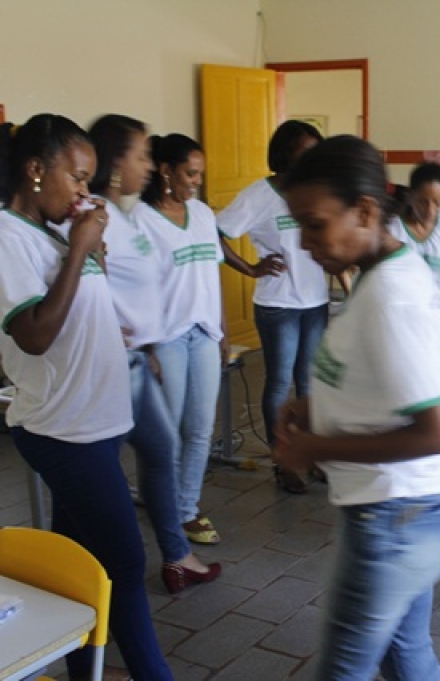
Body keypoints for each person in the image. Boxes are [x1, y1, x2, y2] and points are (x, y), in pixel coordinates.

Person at [274, 135, 440, 680]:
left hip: (399, 514)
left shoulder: (392, 295)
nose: (304, 242)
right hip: (405, 507)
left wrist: (315, 447)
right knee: (405, 656)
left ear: (364, 211)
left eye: (314, 224)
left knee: (344, 670)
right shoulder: (377, 275)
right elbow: (380, 381)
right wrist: (314, 407)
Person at [0, 114, 172, 680]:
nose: (83, 191)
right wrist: (78, 252)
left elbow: (77, 311)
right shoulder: (6, 237)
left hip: (95, 420)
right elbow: (34, 334)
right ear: (34, 170)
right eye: (76, 177)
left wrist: (90, 256)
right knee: (125, 563)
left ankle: (83, 671)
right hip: (65, 429)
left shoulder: (52, 233)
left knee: (78, 565)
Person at [89, 114, 222, 593]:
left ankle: (175, 552)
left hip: (142, 356)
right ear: (114, 162)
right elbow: (91, 288)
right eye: (141, 155)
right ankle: (110, 569)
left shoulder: (128, 216)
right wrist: (140, 340)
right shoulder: (98, 217)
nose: (147, 165)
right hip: (122, 360)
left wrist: (148, 343)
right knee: (112, 468)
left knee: (164, 448)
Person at [217, 120, 327, 494]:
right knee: (280, 382)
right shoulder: (259, 195)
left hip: (316, 300)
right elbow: (215, 233)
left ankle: (310, 454)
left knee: (309, 382)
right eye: (305, 151)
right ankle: (284, 462)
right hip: (279, 303)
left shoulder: (314, 190)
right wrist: (251, 268)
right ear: (284, 153)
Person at [135, 133, 228, 545]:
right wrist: (147, 348)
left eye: (199, 174)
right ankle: (164, 507)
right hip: (165, 337)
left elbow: (213, 274)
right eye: (190, 174)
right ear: (166, 170)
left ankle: (187, 508)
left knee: (201, 428)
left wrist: (222, 331)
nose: (196, 182)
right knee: (166, 433)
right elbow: (137, 287)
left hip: (204, 332)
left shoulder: (203, 214)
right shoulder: (141, 219)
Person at [386, 161, 440, 328]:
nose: (430, 211)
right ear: (410, 196)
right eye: (422, 202)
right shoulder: (392, 229)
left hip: (435, 319)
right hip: (397, 319)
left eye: (437, 203)